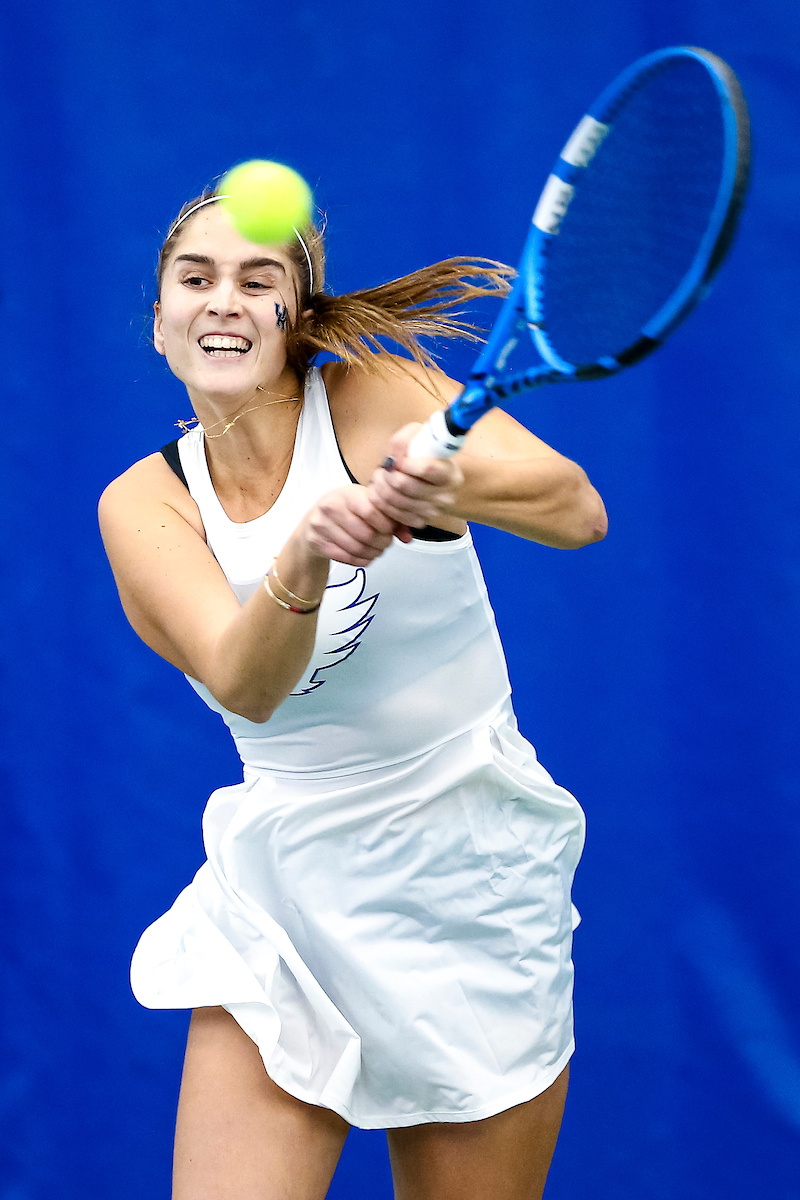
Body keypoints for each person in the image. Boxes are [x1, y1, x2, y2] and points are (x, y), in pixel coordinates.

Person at [99, 186, 607, 1200]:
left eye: (258, 280)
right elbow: (244, 684)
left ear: (298, 318)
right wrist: (305, 556)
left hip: (474, 881)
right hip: (280, 902)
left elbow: (574, 509)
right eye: (193, 280)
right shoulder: (141, 503)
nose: (222, 302)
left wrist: (446, 486)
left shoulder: (378, 393)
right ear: (159, 325)